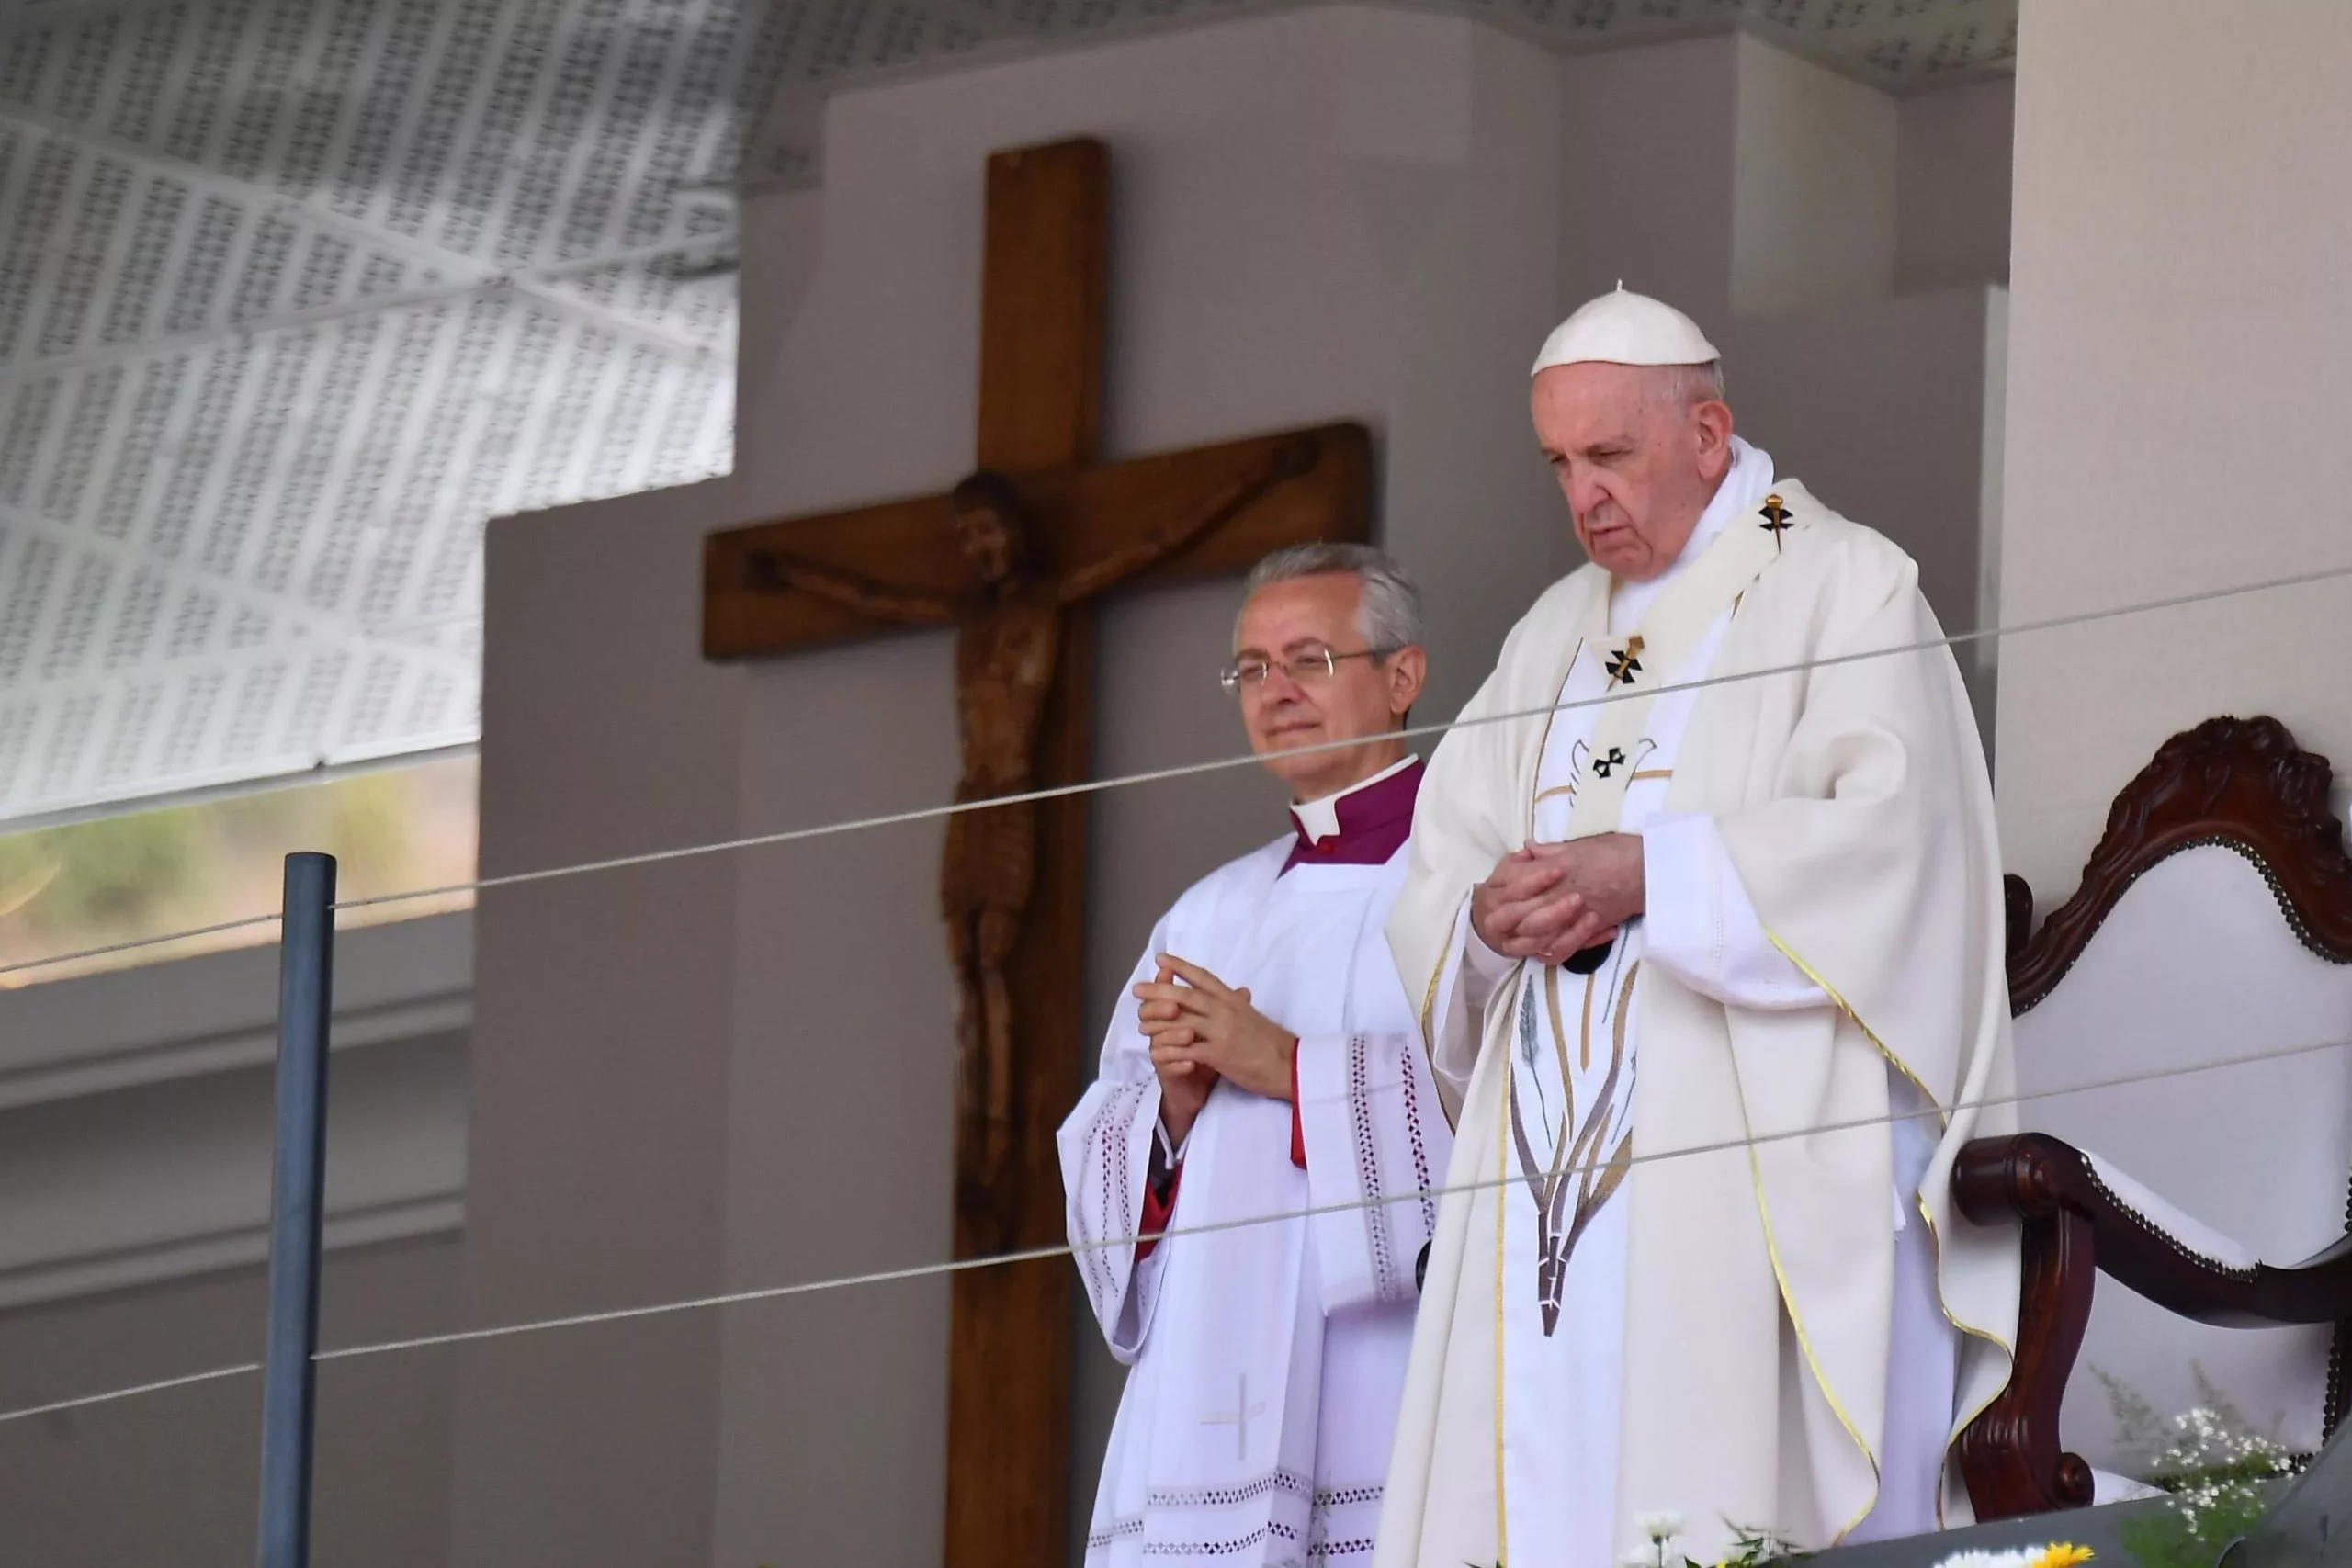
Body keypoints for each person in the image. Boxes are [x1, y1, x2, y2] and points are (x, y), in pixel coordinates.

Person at [1374, 289, 2021, 1568]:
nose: (1582, 497)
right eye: (1559, 463)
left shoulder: (1847, 582)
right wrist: (1486, 920)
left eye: (1609, 456)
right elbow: (1440, 858)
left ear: (1709, 432)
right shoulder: (1552, 632)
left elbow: (1900, 846)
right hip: (1548, 1183)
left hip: (1748, 1155)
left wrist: (1653, 872)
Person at [1059, 543, 1455, 1566]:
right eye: (1252, 668)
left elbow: (1516, 1117)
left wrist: (1285, 1067)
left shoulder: (1470, 883)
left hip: (1388, 1378)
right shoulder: (1207, 912)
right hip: (1200, 1390)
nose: (1275, 692)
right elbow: (1107, 1158)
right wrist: (1173, 1111)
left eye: (1310, 660)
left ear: (1402, 676)